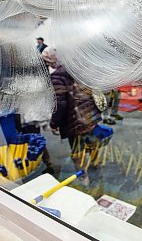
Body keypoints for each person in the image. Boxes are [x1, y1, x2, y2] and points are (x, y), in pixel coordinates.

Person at [43, 47, 101, 185]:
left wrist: (54, 123)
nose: (48, 65)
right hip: (90, 117)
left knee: (77, 152)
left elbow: (60, 103)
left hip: (74, 121)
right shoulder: (79, 68)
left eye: (48, 61)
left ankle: (83, 177)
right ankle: (96, 166)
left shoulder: (57, 76)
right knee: (93, 143)